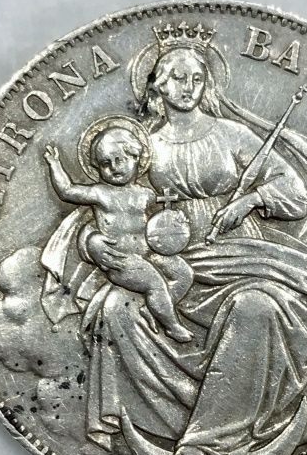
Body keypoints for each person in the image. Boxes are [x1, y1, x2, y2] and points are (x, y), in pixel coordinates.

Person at [42, 23, 307, 455]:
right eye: (176, 78)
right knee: (115, 307)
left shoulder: (232, 135)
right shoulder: (140, 146)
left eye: (196, 78)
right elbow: (107, 205)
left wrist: (250, 199)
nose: (187, 87)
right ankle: (143, 426)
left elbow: (295, 194)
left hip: (243, 254)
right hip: (167, 259)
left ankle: (213, 436)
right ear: (157, 86)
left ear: (207, 84)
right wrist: (92, 244)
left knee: (256, 307)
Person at [43, 126, 194, 343]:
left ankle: (153, 309)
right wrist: (55, 164)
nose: (114, 168)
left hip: (148, 253)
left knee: (184, 273)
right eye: (105, 163)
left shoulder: (146, 194)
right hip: (120, 260)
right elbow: (67, 191)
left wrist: (175, 219)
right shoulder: (100, 193)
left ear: (136, 158)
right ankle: (171, 326)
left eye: (120, 160)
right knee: (155, 282)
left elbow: (166, 215)